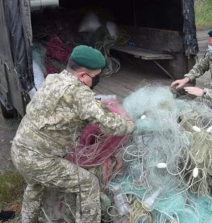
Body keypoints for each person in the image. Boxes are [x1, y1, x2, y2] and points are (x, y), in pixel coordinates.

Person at [11, 45, 135, 223]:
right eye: (96, 76)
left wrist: (95, 103)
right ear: (83, 75)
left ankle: (27, 220)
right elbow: (112, 126)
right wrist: (129, 124)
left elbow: (73, 102)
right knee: (88, 184)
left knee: (35, 185)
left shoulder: (54, 79)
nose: (97, 79)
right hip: (40, 160)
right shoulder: (80, 95)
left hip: (20, 151)